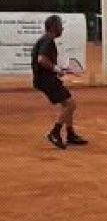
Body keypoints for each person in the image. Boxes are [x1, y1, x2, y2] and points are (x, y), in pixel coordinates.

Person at [31, 15, 87, 149]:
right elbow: (41, 59)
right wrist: (55, 68)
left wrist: (56, 70)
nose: (62, 28)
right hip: (46, 80)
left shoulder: (46, 40)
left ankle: (70, 134)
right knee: (70, 104)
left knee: (67, 103)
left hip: (46, 79)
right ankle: (54, 133)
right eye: (60, 25)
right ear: (54, 27)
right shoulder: (48, 40)